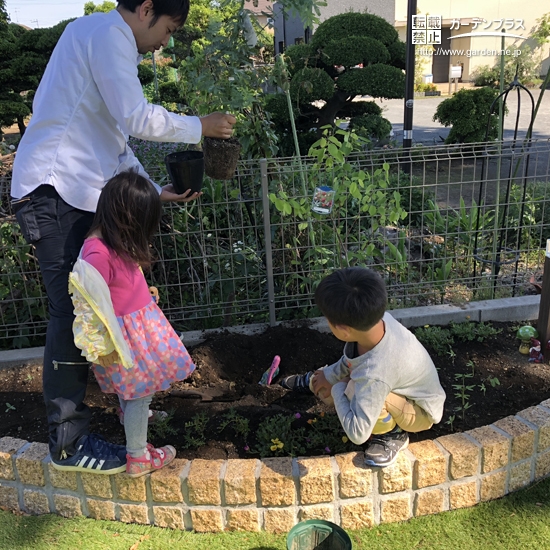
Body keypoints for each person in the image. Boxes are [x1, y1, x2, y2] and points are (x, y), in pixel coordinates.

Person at [10, 0, 236, 474]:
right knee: (70, 314)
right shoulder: (108, 35)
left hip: (66, 192)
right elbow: (135, 117)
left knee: (87, 312)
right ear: (147, 8)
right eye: (169, 29)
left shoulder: (90, 36)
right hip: (55, 193)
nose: (166, 42)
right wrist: (200, 127)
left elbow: (114, 142)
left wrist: (156, 193)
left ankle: (97, 425)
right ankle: (69, 445)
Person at [68, 171, 195, 476]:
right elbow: (93, 303)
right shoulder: (96, 253)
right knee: (139, 392)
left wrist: (141, 291)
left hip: (140, 326)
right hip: (129, 337)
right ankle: (137, 456)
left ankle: (133, 421)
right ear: (127, 216)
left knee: (137, 392)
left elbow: (120, 281)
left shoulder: (111, 239)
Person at [280, 267, 446, 467]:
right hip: (390, 380)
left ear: (343, 330)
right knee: (344, 383)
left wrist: (337, 387)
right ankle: (316, 380)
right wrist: (328, 375)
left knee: (351, 390)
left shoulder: (374, 374)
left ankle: (392, 435)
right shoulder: (378, 323)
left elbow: (358, 433)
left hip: (419, 410)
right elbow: (353, 361)